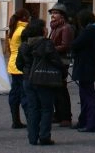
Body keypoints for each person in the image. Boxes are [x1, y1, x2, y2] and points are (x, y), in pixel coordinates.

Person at [16, 18, 59, 146]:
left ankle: (32, 137)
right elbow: (55, 60)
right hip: (43, 79)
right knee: (46, 108)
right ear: (41, 30)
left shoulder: (24, 45)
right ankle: (44, 136)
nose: (46, 29)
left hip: (28, 80)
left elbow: (19, 64)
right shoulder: (46, 43)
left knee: (33, 108)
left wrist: (26, 71)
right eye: (44, 27)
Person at [71, 9, 95, 132]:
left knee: (89, 96)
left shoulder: (88, 31)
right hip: (91, 65)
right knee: (85, 94)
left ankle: (92, 124)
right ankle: (84, 121)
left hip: (85, 66)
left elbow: (74, 44)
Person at [47, 3, 73, 127]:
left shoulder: (66, 27)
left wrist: (50, 49)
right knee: (54, 89)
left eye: (55, 13)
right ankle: (58, 114)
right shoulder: (54, 27)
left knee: (61, 89)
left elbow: (66, 46)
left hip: (62, 61)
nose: (52, 15)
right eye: (52, 13)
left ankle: (66, 116)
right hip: (54, 60)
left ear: (62, 15)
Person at [6, 8, 30, 129]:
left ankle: (16, 120)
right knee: (24, 93)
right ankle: (30, 121)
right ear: (25, 17)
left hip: (13, 64)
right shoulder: (23, 29)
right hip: (21, 64)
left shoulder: (13, 29)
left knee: (14, 94)